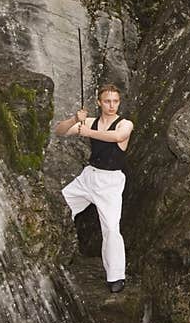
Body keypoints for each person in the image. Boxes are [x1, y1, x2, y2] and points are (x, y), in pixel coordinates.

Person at [54, 84, 133, 293]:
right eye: (107, 101)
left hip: (111, 182)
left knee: (111, 229)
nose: (112, 105)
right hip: (89, 177)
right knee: (58, 205)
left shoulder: (124, 124)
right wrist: (75, 120)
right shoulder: (91, 121)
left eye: (115, 101)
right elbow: (59, 131)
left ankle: (116, 277)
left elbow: (116, 137)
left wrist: (87, 131)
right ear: (99, 102)